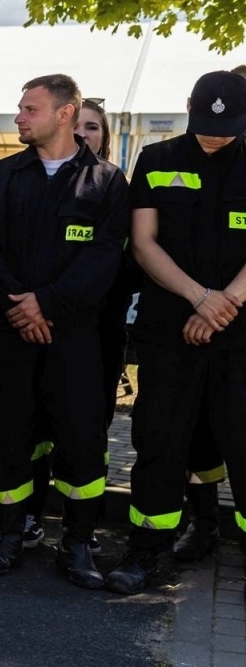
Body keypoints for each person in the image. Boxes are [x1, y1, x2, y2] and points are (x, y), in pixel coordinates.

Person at [0, 75, 129, 588]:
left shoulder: (105, 182)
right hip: (14, 338)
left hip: (77, 341)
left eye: (29, 109)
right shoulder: (3, 176)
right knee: (12, 438)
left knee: (82, 442)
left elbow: (105, 260)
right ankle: (10, 535)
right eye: (20, 108)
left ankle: (77, 544)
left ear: (64, 113)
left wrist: (48, 304)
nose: (19, 117)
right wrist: (23, 306)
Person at [106, 71, 246, 595]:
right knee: (160, 443)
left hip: (239, 332)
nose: (214, 135)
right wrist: (199, 298)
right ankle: (147, 552)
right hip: (171, 331)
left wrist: (222, 304)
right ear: (188, 107)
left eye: (228, 126)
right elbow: (143, 243)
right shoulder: (158, 159)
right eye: (206, 124)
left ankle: (214, 532)